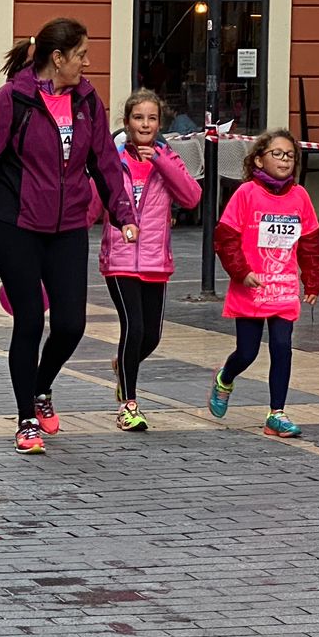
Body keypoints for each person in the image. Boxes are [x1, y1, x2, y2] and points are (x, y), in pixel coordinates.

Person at [0, 17, 138, 455]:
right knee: (31, 319)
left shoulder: (88, 102)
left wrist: (122, 212)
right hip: (13, 223)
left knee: (71, 324)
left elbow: (105, 163)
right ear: (58, 58)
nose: (87, 64)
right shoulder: (12, 99)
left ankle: (41, 386)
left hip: (68, 224)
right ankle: (26, 420)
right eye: (82, 55)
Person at [95, 90, 201, 432]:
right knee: (134, 328)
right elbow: (93, 205)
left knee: (151, 337)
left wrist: (160, 161)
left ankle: (122, 366)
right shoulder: (112, 159)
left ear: (160, 123)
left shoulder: (168, 157)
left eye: (152, 118)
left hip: (156, 259)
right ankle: (128, 404)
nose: (145, 124)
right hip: (120, 258)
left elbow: (191, 197)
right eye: (138, 118)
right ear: (127, 122)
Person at [206, 131, 319, 438]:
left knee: (283, 347)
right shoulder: (246, 194)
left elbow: (309, 242)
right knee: (247, 351)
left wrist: (312, 279)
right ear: (259, 159)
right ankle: (225, 378)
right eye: (277, 154)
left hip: (283, 289)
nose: (285, 160)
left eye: (290, 155)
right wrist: (241, 272)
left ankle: (277, 413)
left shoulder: (301, 197)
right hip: (252, 289)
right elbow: (225, 238)